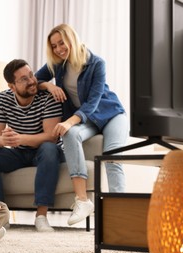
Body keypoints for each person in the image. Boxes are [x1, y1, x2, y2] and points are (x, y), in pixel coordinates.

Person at [35, 23, 129, 225]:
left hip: (110, 113)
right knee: (70, 134)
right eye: (54, 46)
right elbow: (34, 81)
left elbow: (93, 102)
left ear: (72, 39)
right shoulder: (58, 64)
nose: (59, 49)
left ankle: (120, 213)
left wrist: (69, 121)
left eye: (62, 43)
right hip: (88, 119)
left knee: (112, 157)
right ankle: (83, 201)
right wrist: (49, 85)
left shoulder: (96, 63)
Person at [0, 59, 65, 232]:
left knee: (49, 149)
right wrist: (5, 140)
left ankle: (41, 216)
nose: (32, 81)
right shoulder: (2, 99)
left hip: (45, 152)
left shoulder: (48, 98)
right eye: (24, 79)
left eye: (31, 75)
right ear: (12, 86)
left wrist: (20, 139)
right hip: (19, 153)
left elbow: (51, 137)